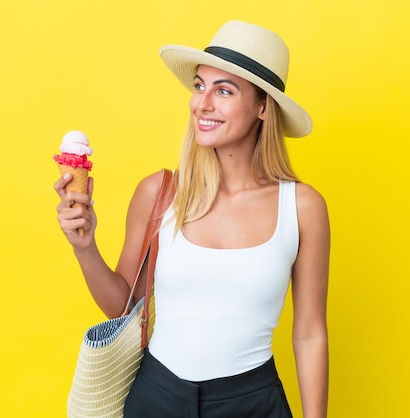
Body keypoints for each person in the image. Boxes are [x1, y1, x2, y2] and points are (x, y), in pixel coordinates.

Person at [55, 20, 330, 418]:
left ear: (263, 107)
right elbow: (123, 307)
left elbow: (309, 334)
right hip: (156, 396)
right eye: (200, 86)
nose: (202, 103)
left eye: (224, 91)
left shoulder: (303, 207)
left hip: (253, 402)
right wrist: (84, 247)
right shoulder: (159, 192)